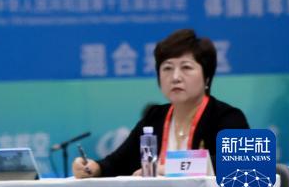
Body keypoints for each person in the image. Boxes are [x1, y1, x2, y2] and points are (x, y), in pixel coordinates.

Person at [74, 29, 249, 178]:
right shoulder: (154, 117)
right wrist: (93, 168)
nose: (175, 77)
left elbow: (242, 163)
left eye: (186, 67)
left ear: (207, 77)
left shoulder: (226, 117)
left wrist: (170, 169)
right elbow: (118, 163)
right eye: (167, 68)